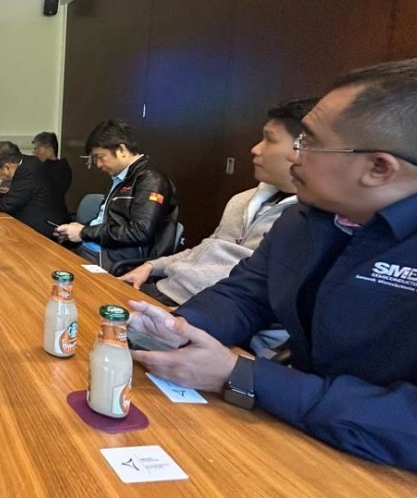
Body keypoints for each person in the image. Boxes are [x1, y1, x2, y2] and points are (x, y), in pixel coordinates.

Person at [127, 61, 417, 470]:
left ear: (378, 168)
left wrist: (242, 375)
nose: (295, 155)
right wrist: (177, 327)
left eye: (309, 142)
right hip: (300, 430)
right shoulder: (304, 218)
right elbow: (245, 294)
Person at [120, 97, 317, 354]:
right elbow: (206, 248)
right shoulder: (242, 200)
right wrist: (151, 266)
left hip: (203, 313)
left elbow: (254, 300)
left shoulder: (309, 222)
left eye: (269, 140)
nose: (255, 149)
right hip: (170, 293)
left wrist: (186, 318)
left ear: (305, 148)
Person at [54, 119, 177, 273]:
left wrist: (84, 232)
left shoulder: (151, 180)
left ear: (121, 150)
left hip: (116, 259)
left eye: (100, 157)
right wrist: (74, 230)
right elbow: (107, 221)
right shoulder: (121, 178)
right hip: (99, 250)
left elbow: (140, 232)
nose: (98, 164)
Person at [0, 141, 66, 236]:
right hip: (35, 221)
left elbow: (7, 205)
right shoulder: (28, 162)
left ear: (7, 167)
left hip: (46, 228)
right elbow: (16, 198)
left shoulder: (28, 172)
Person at [32, 131, 72, 211]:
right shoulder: (41, 166)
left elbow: (50, 193)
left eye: (38, 149)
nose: (35, 153)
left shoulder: (61, 168)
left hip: (52, 211)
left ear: (49, 149)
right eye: (34, 150)